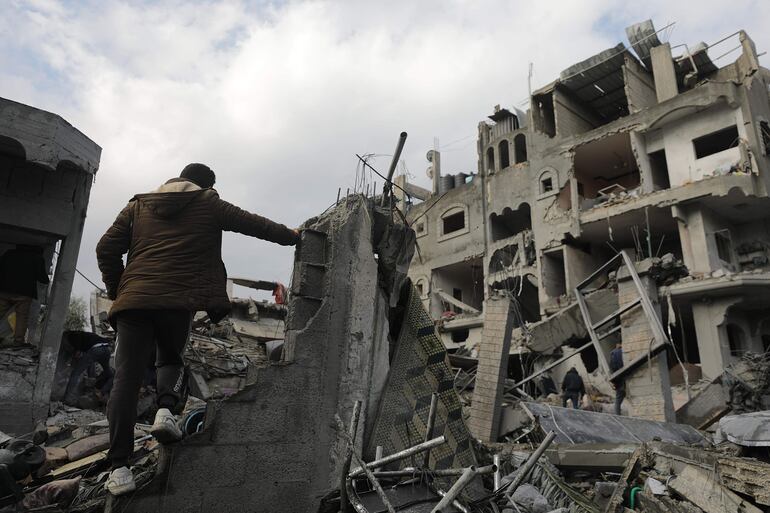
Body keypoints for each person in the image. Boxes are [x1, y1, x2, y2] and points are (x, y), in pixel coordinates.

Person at [96, 163, 299, 495]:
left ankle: (119, 469)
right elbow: (253, 223)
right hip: (178, 300)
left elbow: (105, 249)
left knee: (125, 378)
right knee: (171, 359)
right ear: (207, 185)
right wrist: (291, 236)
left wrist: (118, 291)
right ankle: (165, 410)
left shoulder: (138, 205)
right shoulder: (208, 202)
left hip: (134, 303)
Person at [0, 245, 49, 346]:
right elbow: (43, 279)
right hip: (24, 294)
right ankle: (18, 342)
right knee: (21, 317)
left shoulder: (9, 253)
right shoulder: (37, 258)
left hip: (4, 289)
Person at [62, 330, 114, 406]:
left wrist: (70, 366)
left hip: (96, 349)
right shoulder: (85, 337)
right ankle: (100, 392)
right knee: (110, 374)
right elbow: (89, 361)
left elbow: (77, 356)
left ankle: (67, 398)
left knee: (75, 373)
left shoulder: (73, 336)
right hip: (106, 350)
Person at [609, 342, 625, 415]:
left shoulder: (613, 353)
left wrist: (614, 379)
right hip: (627, 376)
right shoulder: (624, 351)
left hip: (619, 378)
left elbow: (613, 366)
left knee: (618, 400)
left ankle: (617, 415)